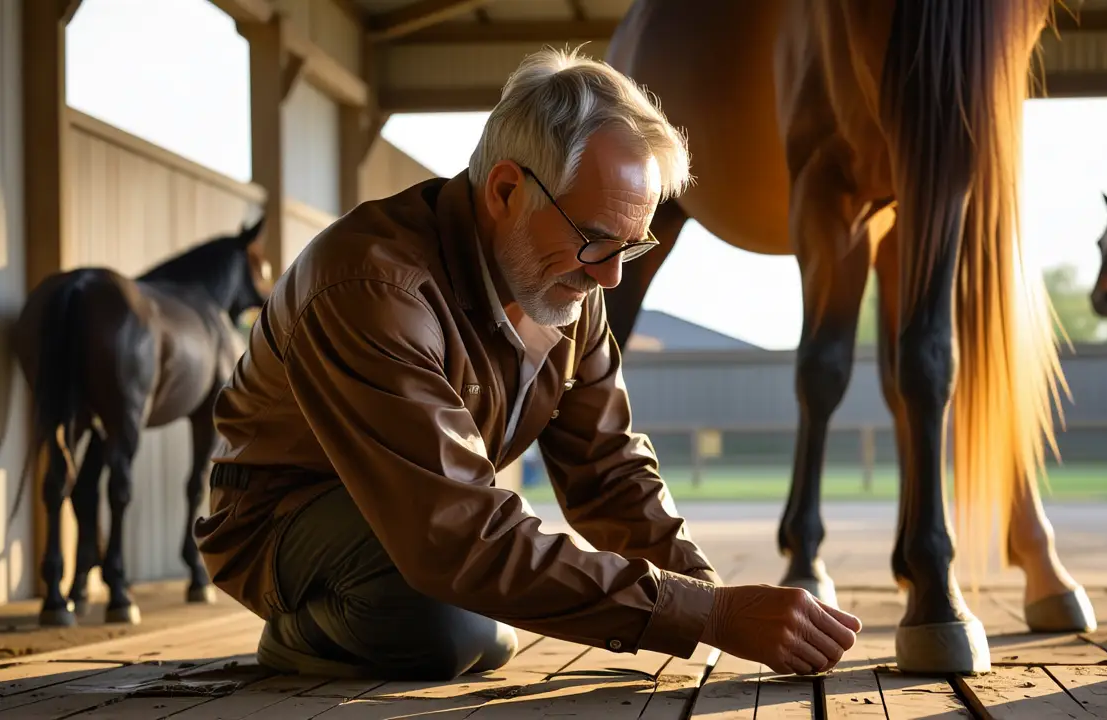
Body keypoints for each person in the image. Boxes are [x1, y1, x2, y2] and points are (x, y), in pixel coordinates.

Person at [194, 47, 861, 682]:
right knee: (450, 631)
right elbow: (458, 539)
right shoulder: (370, 288)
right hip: (281, 524)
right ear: (507, 189)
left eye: (630, 249)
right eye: (597, 240)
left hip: (423, 512)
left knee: (476, 609)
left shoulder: (571, 284)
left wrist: (715, 599)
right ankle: (301, 632)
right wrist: (704, 615)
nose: (610, 278)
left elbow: (609, 473)